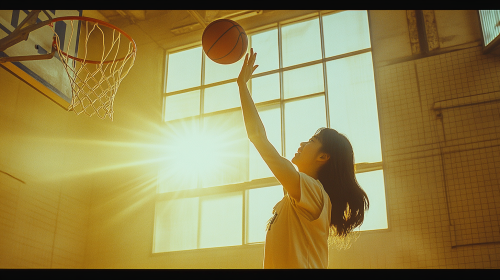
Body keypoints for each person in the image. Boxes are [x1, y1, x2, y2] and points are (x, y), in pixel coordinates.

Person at [237, 48, 369, 269]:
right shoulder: (294, 197)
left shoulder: (314, 192)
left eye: (311, 141)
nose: (302, 144)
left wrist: (242, 86)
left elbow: (258, 137)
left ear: (323, 156)